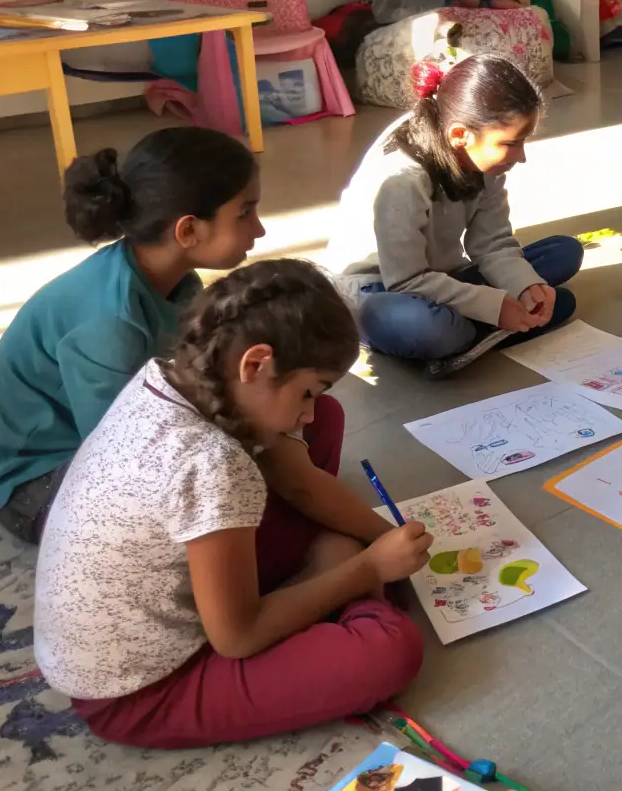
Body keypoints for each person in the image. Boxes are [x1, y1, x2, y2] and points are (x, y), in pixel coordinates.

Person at [34, 259, 430, 748]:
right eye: (306, 390)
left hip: (162, 595)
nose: (307, 408)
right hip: (138, 690)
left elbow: (301, 483)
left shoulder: (169, 377)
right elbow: (237, 637)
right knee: (391, 651)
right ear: (256, 363)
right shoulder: (214, 465)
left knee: (321, 425)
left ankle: (327, 577)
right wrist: (370, 568)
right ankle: (340, 595)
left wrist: (381, 538)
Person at [0, 126, 264, 544]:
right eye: (245, 213)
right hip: (32, 486)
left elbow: (189, 382)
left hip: (111, 445)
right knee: (211, 502)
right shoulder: (110, 322)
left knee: (276, 434)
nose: (260, 229)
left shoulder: (179, 282)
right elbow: (121, 454)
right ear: (188, 231)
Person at [324, 56, 582, 363]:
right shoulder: (401, 180)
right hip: (379, 288)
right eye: (512, 143)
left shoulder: (485, 160)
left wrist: (526, 285)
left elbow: (492, 244)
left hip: (441, 275)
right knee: (421, 325)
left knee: (564, 252)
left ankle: (478, 333)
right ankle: (478, 332)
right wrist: (493, 304)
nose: (521, 156)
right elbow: (406, 281)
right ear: (460, 135)